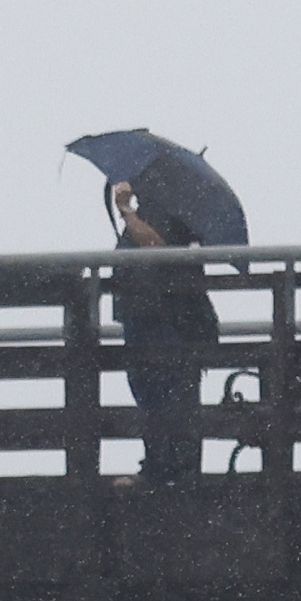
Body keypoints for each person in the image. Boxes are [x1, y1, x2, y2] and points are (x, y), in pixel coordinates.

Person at [92, 163, 223, 483]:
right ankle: (165, 467)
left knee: (168, 395)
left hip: (165, 321)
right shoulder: (160, 212)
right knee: (155, 396)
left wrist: (125, 211)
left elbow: (155, 247)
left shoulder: (165, 215)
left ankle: (171, 471)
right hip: (149, 318)